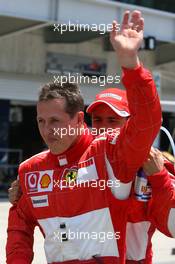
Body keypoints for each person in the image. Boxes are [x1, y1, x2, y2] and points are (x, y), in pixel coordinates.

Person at [6, 10, 161, 264]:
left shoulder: (112, 154)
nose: (47, 130)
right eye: (41, 122)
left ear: (78, 120)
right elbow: (19, 228)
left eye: (55, 121)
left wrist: (130, 63)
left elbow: (146, 124)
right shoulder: (30, 171)